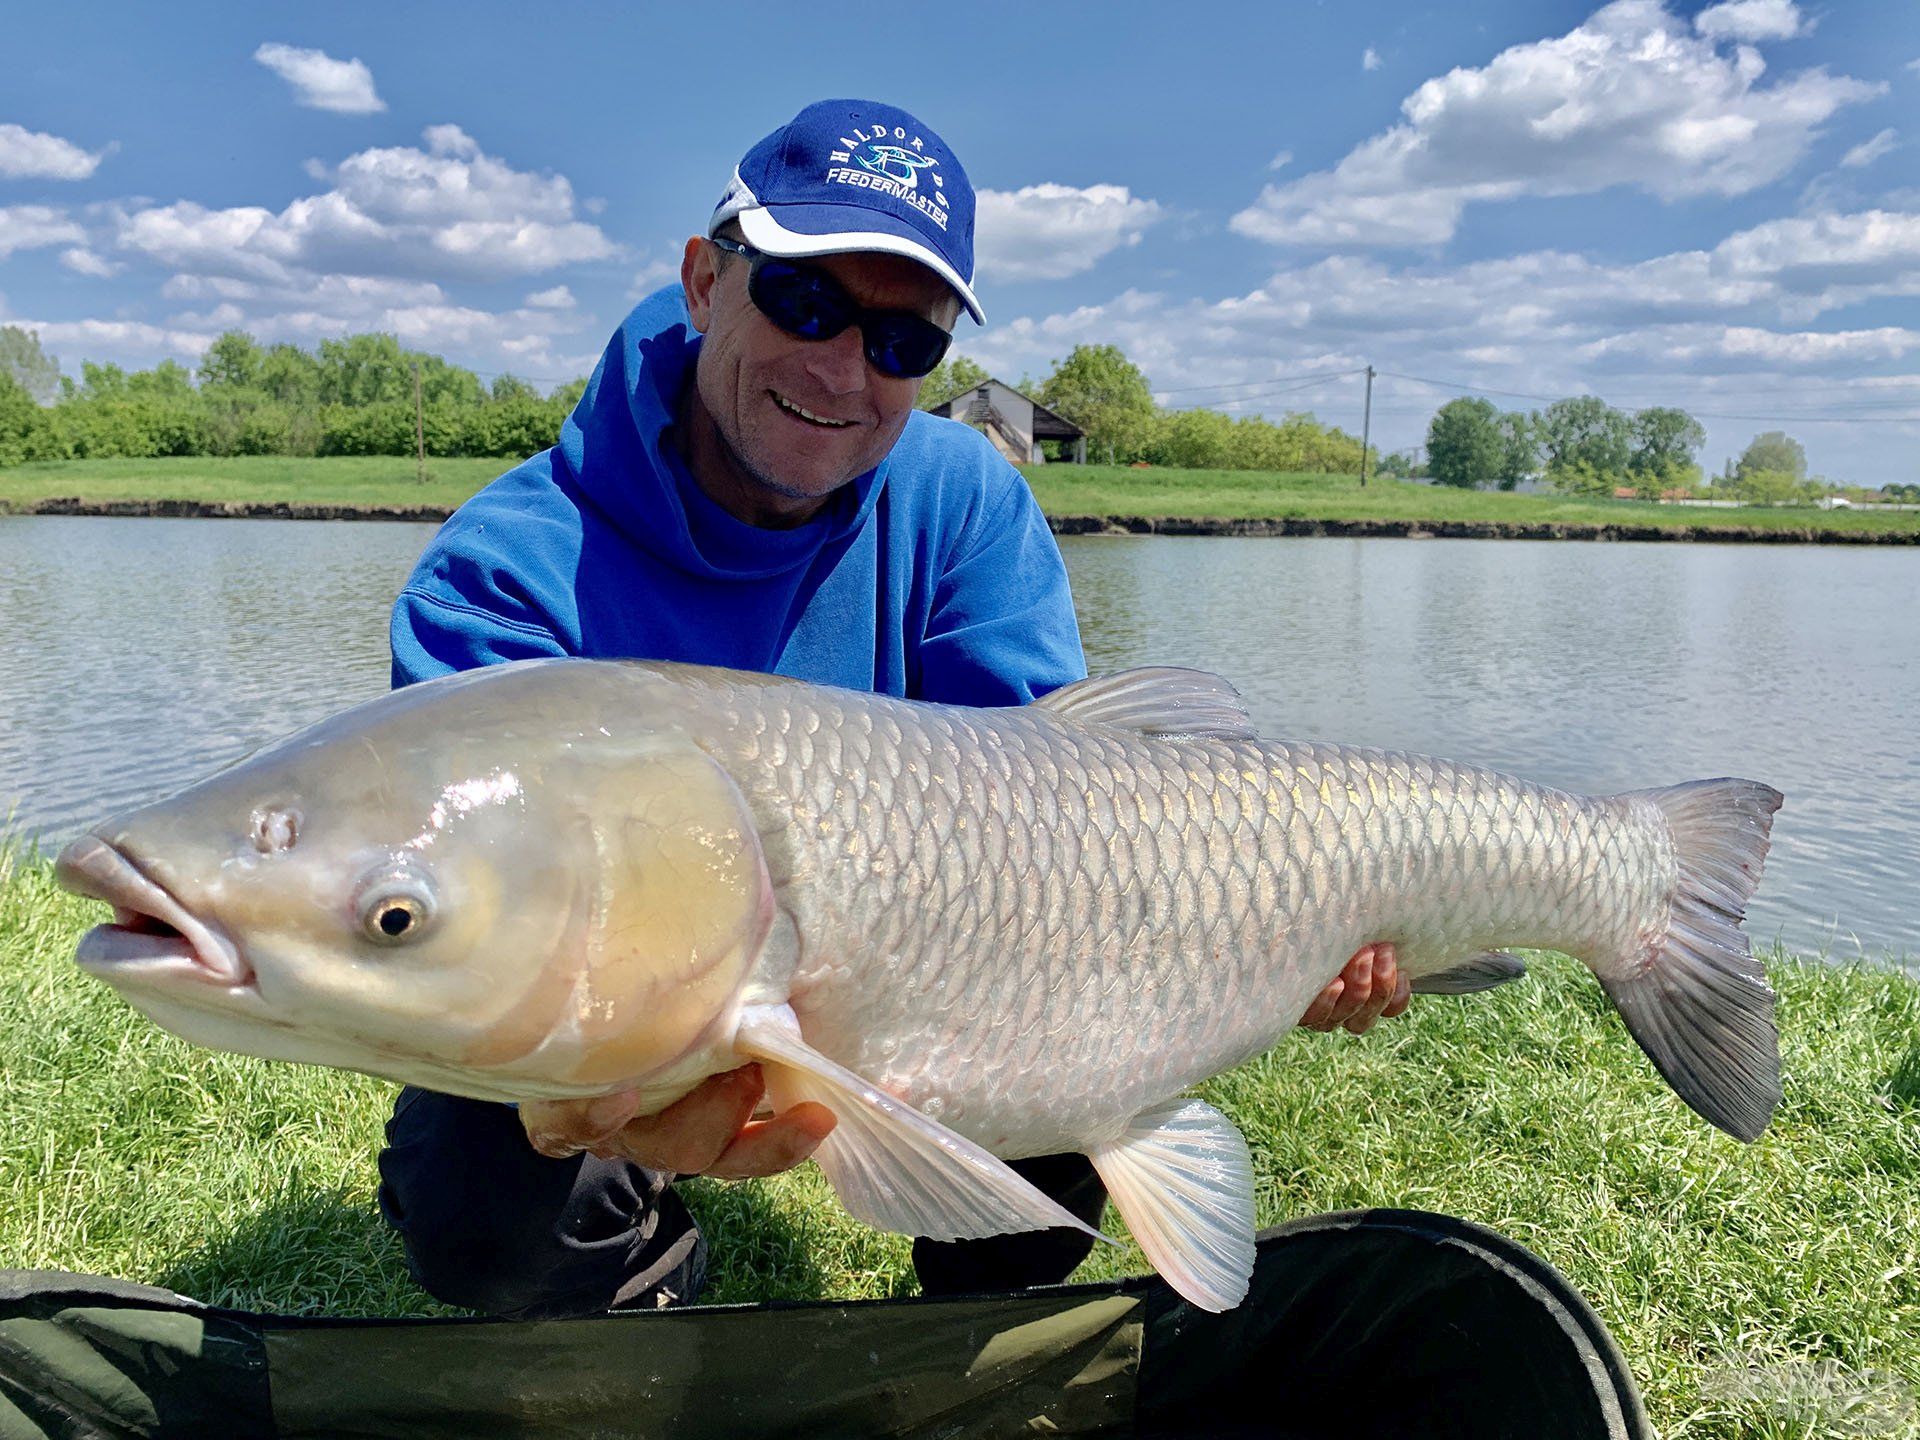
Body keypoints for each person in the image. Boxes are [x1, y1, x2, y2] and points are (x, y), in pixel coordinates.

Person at [375, 98, 1411, 1319]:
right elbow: (447, 900)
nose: (840, 369)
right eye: (805, 302)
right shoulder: (505, 574)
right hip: (639, 995)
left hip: (917, 961)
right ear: (707, 280)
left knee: (1073, 1024)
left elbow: (1062, 820)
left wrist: (1295, 927)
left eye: (900, 345)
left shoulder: (965, 498)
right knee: (479, 1183)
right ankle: (649, 1280)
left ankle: (971, 1318)